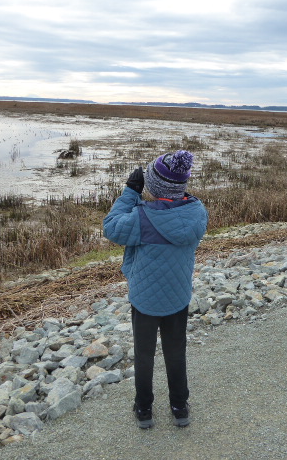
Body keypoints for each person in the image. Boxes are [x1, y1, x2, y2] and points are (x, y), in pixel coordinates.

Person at [103, 150, 208, 428]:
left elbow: (111, 227)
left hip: (145, 299)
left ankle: (144, 409)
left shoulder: (141, 218)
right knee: (176, 351)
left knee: (144, 354)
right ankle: (179, 407)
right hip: (178, 296)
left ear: (153, 186)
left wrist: (130, 192)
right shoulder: (197, 212)